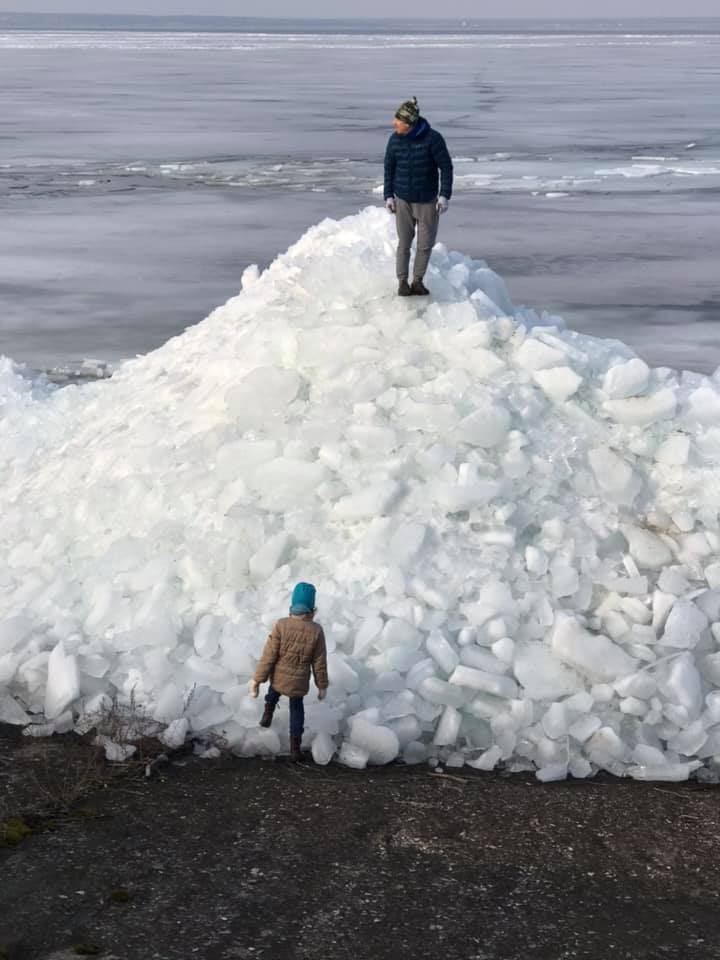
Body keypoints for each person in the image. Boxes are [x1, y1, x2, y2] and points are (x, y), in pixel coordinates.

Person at [249, 582, 328, 762]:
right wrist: (322, 686)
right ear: (312, 608)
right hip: (299, 682)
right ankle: (295, 749)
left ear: (293, 604)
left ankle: (267, 715)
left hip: (278, 678)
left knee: (273, 693)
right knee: (296, 710)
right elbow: (319, 662)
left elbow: (269, 655)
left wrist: (257, 680)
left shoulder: (281, 625)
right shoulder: (316, 631)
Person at [384, 96, 453, 298]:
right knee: (404, 243)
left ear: (409, 123)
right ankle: (402, 282)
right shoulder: (394, 140)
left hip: (427, 201)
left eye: (398, 120)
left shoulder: (433, 139)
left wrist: (444, 195)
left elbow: (446, 167)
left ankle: (418, 282)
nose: (394, 123)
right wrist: (388, 195)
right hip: (403, 200)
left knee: (425, 245)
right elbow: (389, 168)